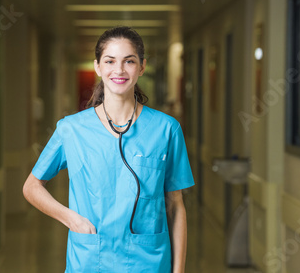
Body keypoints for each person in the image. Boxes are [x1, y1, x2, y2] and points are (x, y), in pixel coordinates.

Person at [23, 26, 195, 272]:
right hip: (91, 259)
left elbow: (176, 205)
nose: (119, 70)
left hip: (149, 262)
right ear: (98, 67)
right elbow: (31, 187)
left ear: (142, 67)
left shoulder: (166, 129)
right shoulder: (71, 129)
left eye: (129, 61)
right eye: (110, 61)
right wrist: (71, 219)